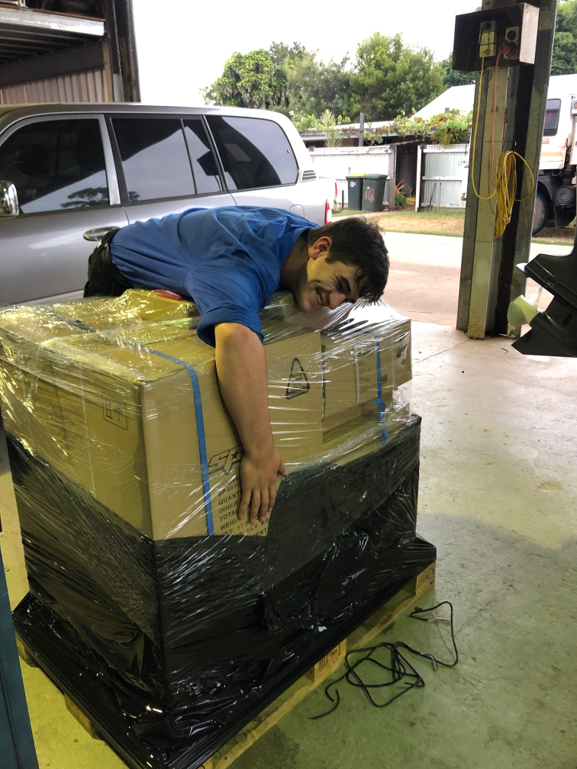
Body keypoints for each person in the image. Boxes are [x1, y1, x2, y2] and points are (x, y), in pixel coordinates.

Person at [84, 206, 389, 525]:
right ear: (320, 248)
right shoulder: (240, 262)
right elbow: (236, 339)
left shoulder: (304, 238)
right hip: (116, 271)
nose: (336, 303)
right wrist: (260, 454)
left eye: (347, 298)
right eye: (339, 284)